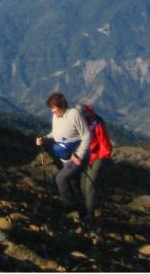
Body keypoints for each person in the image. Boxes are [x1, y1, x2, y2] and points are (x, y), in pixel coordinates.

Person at [35, 92, 92, 221]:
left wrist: (79, 154)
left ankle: (71, 208)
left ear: (62, 106)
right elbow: (56, 135)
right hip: (66, 156)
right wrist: (44, 139)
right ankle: (84, 212)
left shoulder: (74, 114)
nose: (53, 112)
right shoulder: (56, 117)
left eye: (54, 109)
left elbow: (87, 135)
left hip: (78, 156)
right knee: (73, 183)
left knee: (61, 179)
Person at [79, 103, 113, 221]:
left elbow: (104, 142)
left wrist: (104, 156)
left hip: (97, 156)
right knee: (83, 184)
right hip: (85, 156)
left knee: (90, 185)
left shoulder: (96, 123)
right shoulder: (81, 122)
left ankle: (89, 213)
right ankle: (90, 208)